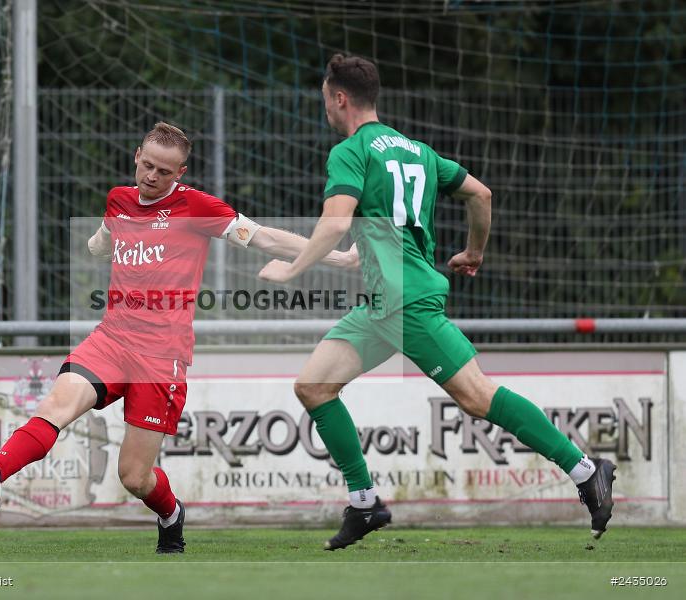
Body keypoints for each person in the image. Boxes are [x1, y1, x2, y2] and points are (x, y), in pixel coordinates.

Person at [0, 122, 356, 554]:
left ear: (180, 173)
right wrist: (98, 244)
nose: (153, 177)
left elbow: (264, 237)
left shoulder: (196, 206)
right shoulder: (118, 199)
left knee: (134, 476)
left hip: (161, 357)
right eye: (148, 165)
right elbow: (104, 238)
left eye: (165, 171)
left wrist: (340, 258)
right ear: (137, 155)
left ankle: (171, 514)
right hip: (111, 340)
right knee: (56, 405)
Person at [259, 54, 616, 550]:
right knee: (314, 386)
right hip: (384, 304)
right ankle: (365, 503)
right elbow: (481, 195)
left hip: (406, 303)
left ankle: (584, 469)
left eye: (325, 100)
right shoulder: (416, 150)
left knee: (477, 397)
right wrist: (474, 251)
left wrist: (291, 269)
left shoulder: (350, 150)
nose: (325, 109)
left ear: (338, 99)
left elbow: (337, 224)